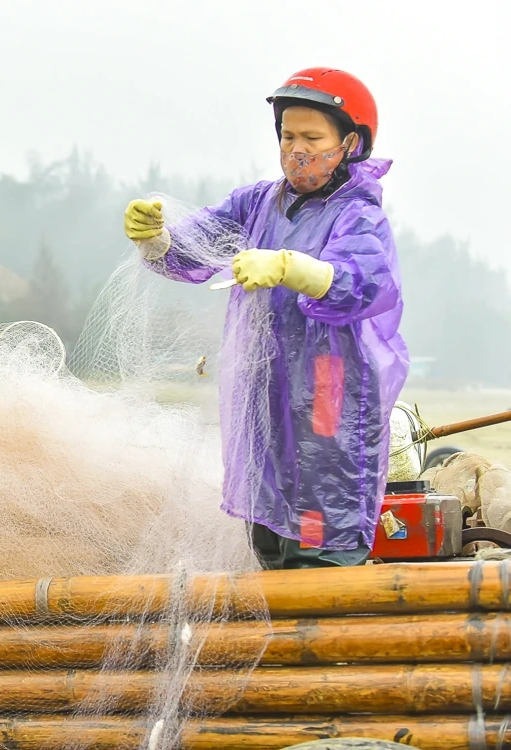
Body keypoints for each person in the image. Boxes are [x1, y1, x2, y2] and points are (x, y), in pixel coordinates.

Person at [122, 68, 408, 570]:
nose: (297, 148)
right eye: (288, 136)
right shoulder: (257, 203)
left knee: (322, 531)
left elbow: (363, 280)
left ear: (351, 143)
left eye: (312, 137)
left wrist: (288, 266)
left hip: (328, 391)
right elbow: (199, 246)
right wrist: (157, 239)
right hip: (262, 392)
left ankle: (328, 637)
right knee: (267, 524)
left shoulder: (359, 214)